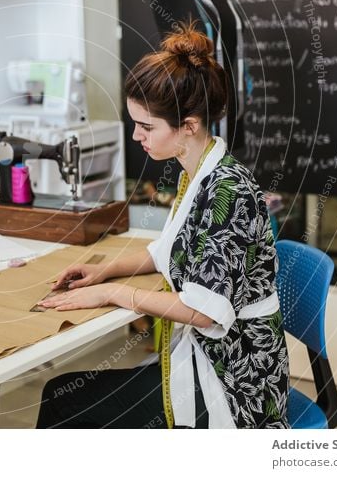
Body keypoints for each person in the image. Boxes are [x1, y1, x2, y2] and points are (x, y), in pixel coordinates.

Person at [35, 23, 289, 429]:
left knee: (62, 402)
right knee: (65, 396)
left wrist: (114, 293)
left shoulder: (228, 190)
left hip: (236, 382)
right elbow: (169, 250)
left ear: (188, 125)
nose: (136, 136)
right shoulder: (197, 173)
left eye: (146, 126)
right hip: (212, 357)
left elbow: (204, 311)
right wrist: (105, 271)